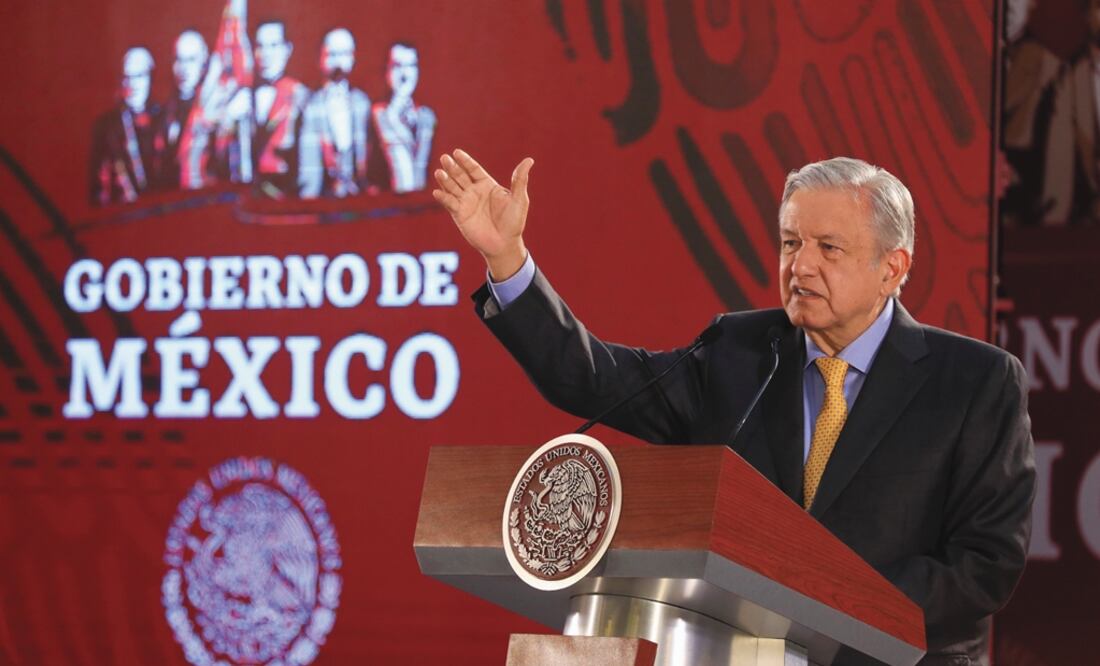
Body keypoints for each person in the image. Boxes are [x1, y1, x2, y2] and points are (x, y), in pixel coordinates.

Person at [432, 150, 1036, 665]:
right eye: (791, 243)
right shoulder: (738, 352)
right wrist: (507, 261)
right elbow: (592, 380)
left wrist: (823, 606)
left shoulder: (974, 382)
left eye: (829, 248)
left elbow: (985, 565)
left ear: (892, 268)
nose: (800, 266)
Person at [221, 19, 309, 198]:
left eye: (274, 45)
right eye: (260, 46)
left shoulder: (301, 97)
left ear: (287, 49)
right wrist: (228, 119)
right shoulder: (239, 97)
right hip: (245, 197)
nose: (266, 54)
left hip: (287, 197)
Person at [299, 28, 372, 199]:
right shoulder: (309, 106)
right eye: (332, 54)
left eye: (344, 54)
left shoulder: (363, 104)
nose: (339, 62)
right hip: (323, 200)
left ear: (353, 57)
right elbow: (308, 172)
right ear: (320, 58)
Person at [89, 47, 161, 205]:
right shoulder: (105, 127)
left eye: (140, 76)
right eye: (127, 77)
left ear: (151, 77)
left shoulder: (164, 118)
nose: (133, 84)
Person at [369, 43, 436, 193]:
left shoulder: (427, 117)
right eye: (397, 66)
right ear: (386, 71)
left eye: (411, 66)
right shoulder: (376, 114)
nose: (405, 74)